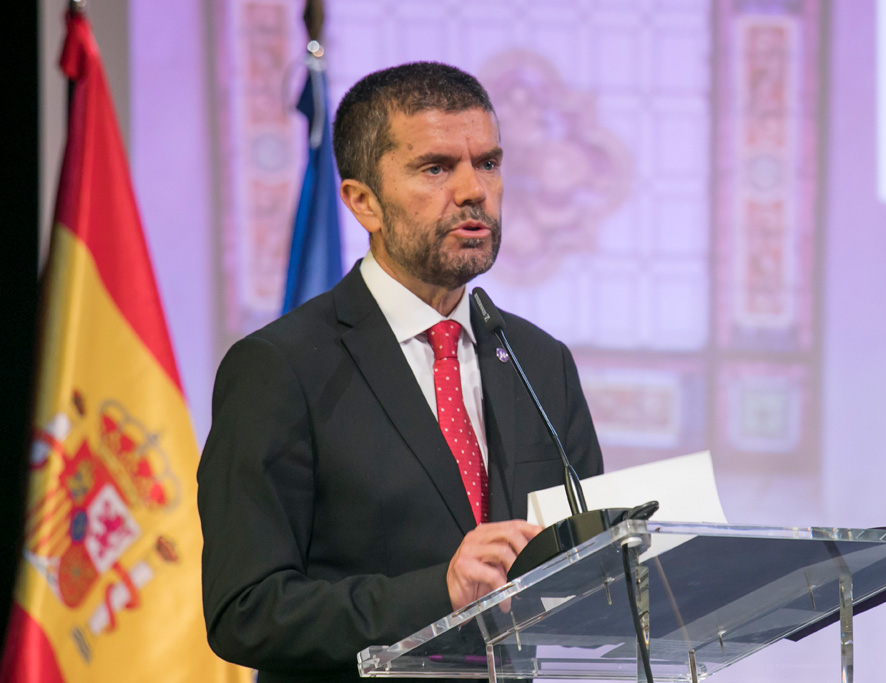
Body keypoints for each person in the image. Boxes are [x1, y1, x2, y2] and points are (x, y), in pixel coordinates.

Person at [197, 62, 603, 683]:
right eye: (436, 168)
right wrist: (441, 592)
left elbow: (589, 571)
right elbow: (246, 611)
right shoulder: (281, 367)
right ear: (364, 202)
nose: (472, 190)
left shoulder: (540, 362)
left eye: (488, 163)